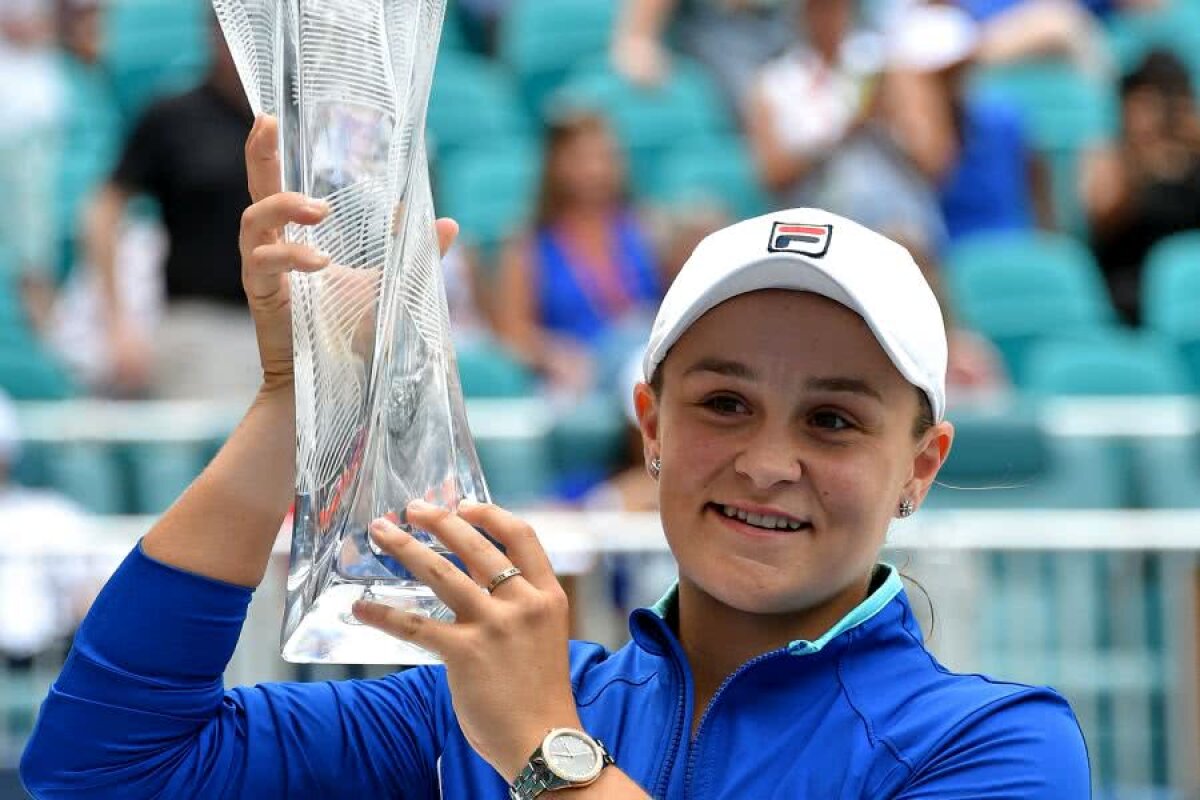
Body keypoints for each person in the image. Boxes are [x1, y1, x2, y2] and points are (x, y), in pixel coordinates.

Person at [20, 115, 1090, 798]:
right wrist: (296, 401)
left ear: (923, 461)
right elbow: (105, 769)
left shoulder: (998, 745)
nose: (768, 460)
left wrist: (545, 750)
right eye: (723, 401)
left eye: (835, 420)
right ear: (652, 425)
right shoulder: (468, 704)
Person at [82, 13, 257, 399]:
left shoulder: (295, 120)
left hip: (292, 324)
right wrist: (119, 323)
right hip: (202, 325)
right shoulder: (174, 116)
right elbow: (104, 210)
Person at [494, 111, 661, 398]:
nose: (595, 170)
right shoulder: (530, 244)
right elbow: (513, 335)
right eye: (582, 158)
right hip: (579, 378)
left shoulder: (645, 230)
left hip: (640, 361)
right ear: (556, 165)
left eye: (603, 157)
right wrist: (556, 356)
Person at [1082, 49, 1200, 324]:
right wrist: (1141, 167)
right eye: (1145, 103)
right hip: (1128, 288)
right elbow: (1102, 221)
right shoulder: (1107, 156)